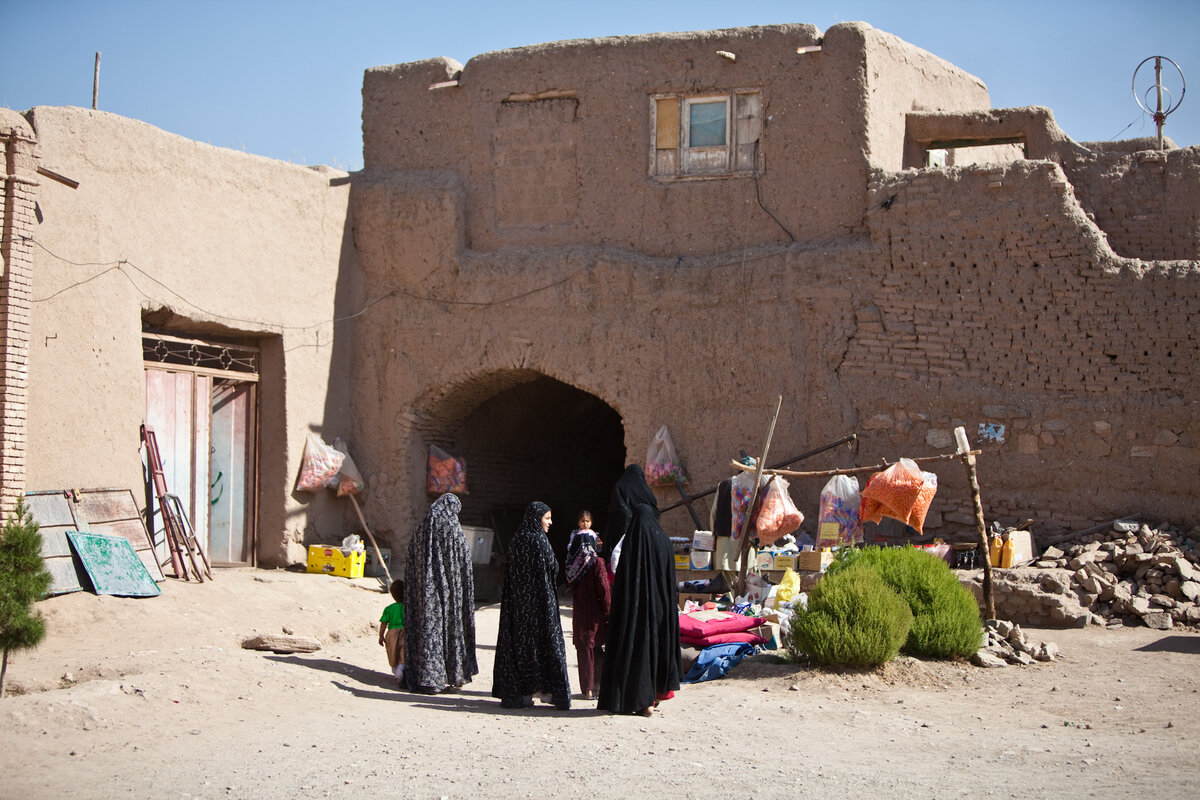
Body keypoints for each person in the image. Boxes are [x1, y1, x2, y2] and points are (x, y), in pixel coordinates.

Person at [598, 498, 682, 717]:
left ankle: (638, 700)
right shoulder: (662, 539)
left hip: (634, 611)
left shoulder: (632, 540)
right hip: (659, 609)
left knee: (637, 652)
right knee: (655, 650)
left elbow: (620, 576)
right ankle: (652, 698)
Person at [492, 501, 571, 710]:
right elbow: (551, 569)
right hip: (540, 607)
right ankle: (548, 691)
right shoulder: (539, 540)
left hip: (518, 608)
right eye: (547, 518)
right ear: (537, 519)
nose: (550, 522)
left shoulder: (517, 539)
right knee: (544, 646)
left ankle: (522, 693)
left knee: (521, 647)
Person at [403, 493, 478, 694]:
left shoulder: (420, 529)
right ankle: (447, 676)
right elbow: (463, 564)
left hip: (423, 596)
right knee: (446, 631)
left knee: (426, 630)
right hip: (447, 595)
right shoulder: (452, 529)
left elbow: (410, 563)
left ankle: (425, 678)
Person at [564, 510, 610, 701]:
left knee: (584, 650)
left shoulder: (571, 567)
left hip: (580, 613)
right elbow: (604, 590)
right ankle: (598, 687)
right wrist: (609, 612)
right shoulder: (597, 563)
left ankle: (587, 689)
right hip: (596, 614)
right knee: (597, 649)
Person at [601, 464, 659, 577]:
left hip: (622, 532)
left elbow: (615, 511)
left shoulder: (619, 486)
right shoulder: (644, 489)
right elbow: (654, 510)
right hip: (644, 531)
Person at [378, 578, 406, 686]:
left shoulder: (389, 608)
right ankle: (400, 670)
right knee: (402, 652)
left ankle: (395, 670)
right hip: (404, 631)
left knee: (392, 651)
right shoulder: (407, 607)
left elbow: (383, 623)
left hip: (391, 633)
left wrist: (381, 636)